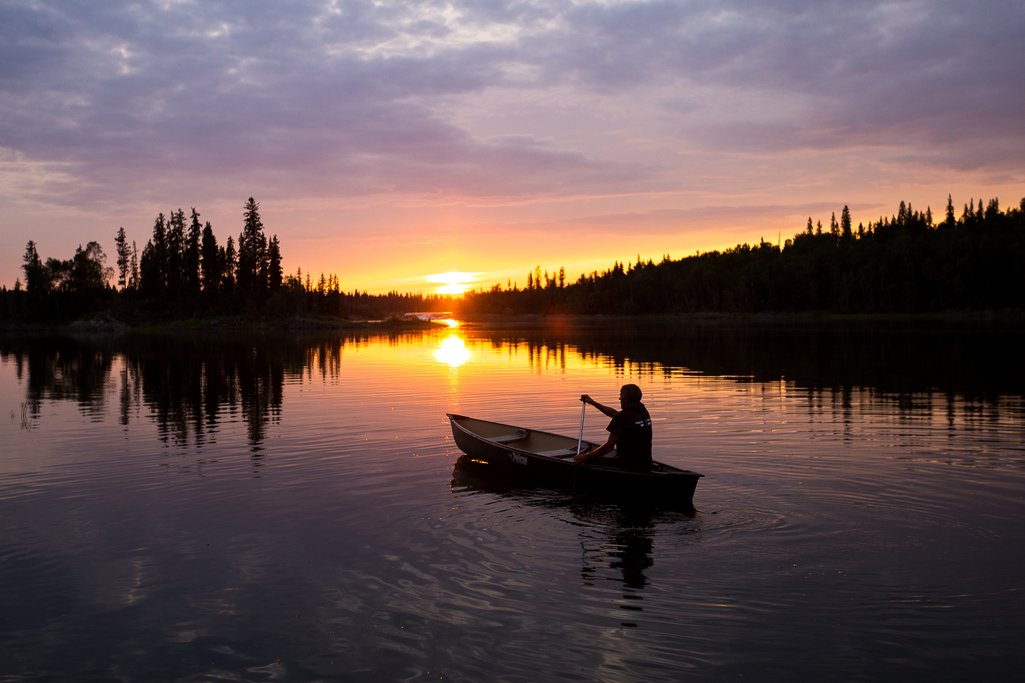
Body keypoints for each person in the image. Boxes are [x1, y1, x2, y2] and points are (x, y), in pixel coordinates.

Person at [573, 383, 652, 471]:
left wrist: (586, 457)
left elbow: (609, 447)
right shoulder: (642, 411)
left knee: (587, 461)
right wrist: (593, 402)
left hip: (627, 465)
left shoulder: (622, 417)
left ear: (626, 399)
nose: (619, 398)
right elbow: (615, 414)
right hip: (646, 464)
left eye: (621, 395)